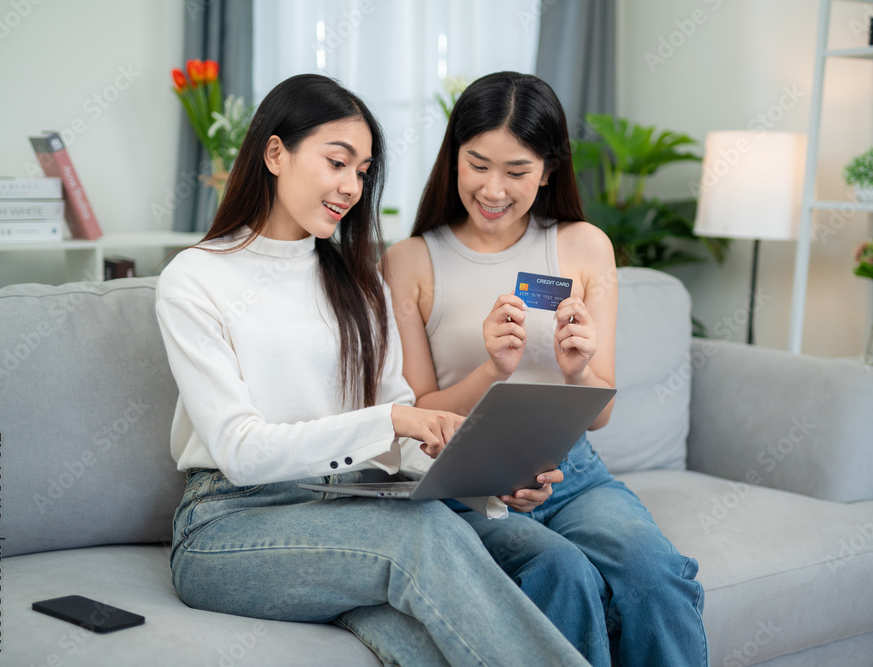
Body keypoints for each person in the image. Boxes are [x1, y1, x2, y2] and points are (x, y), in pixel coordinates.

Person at [155, 73, 591, 667]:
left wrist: (488, 479)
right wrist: (392, 420)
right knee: (423, 538)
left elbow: (396, 444)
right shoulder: (196, 277)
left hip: (351, 507)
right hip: (230, 523)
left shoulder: (360, 285)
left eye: (363, 172)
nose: (351, 187)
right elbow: (239, 450)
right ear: (275, 152)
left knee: (554, 560)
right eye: (337, 162)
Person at [383, 71, 709, 666]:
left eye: (517, 171)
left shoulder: (586, 245)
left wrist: (579, 369)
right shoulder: (409, 261)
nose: (493, 189)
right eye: (477, 164)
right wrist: (492, 369)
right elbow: (417, 410)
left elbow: (602, 411)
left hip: (572, 471)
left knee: (656, 575)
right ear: (453, 156)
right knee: (564, 577)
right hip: (464, 481)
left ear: (550, 169)